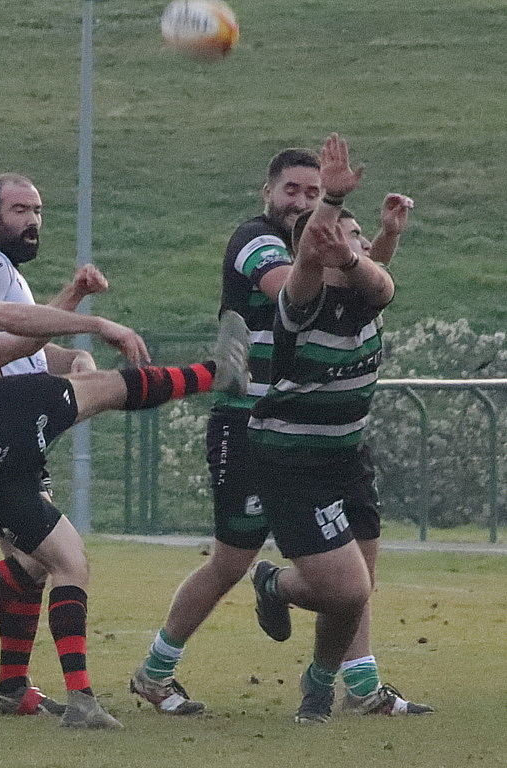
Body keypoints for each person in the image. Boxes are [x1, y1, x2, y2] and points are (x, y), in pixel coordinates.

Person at [0, 240, 250, 728]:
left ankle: (2, 667)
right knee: (105, 387)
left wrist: (72, 307)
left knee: (52, 560)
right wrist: (97, 324)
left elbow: (3, 347)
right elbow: (6, 318)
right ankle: (217, 374)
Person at [131, 139, 430, 718]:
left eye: (312, 192)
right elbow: (293, 284)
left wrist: (378, 241)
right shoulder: (256, 241)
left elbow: (357, 279)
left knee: (359, 566)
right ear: (266, 192)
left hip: (330, 433)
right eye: (291, 189)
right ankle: (156, 669)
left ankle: (362, 685)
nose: (300, 200)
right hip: (252, 427)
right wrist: (339, 224)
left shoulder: (328, 247)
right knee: (231, 561)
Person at [0, 174, 108, 716]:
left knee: (29, 560)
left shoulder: (4, 270)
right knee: (43, 558)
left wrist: (70, 363)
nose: (32, 221)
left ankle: (12, 683)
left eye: (37, 210)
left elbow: (27, 352)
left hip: (13, 430)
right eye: (19, 210)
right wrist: (77, 298)